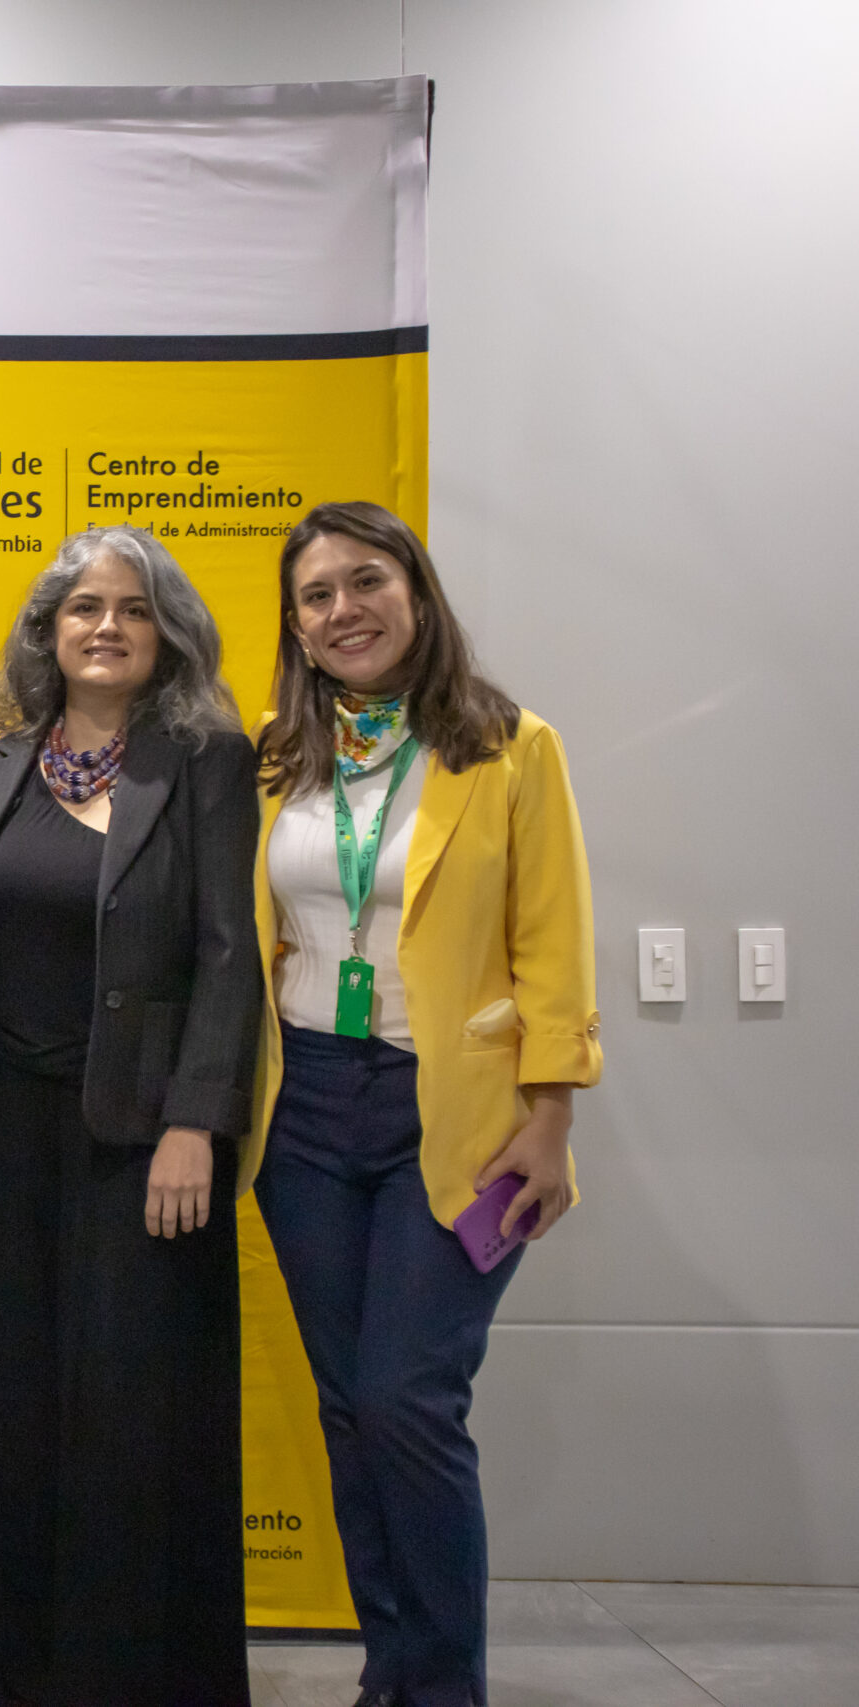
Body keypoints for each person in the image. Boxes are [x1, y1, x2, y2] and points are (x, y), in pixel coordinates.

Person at [248, 501, 600, 1707]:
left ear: (415, 592)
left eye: (365, 582)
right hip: (302, 1109)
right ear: (294, 626)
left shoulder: (508, 747)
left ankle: (442, 1686)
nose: (341, 610)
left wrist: (551, 1113)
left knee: (408, 1398)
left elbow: (551, 940)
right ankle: (388, 1671)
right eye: (315, 595)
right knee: (350, 1407)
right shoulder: (275, 758)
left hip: (454, 1114)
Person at [0, 527, 260, 1707]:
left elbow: (229, 955)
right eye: (81, 608)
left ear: (167, 633)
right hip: (13, 1133)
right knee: (14, 1412)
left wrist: (194, 1124)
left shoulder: (207, 762)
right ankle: (11, 1680)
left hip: (146, 1140)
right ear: (47, 633)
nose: (105, 626)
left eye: (132, 608)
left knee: (133, 1419)